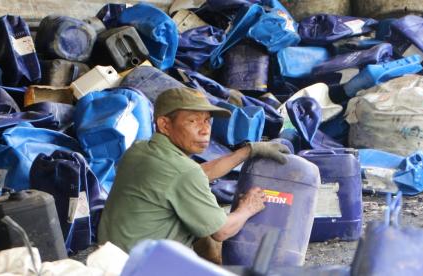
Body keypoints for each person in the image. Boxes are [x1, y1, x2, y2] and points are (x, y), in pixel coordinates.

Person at [98, 87, 290, 252]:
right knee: (212, 229)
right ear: (164, 124)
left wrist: (246, 151)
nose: (205, 129)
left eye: (207, 120)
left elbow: (196, 174)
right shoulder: (182, 171)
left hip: (112, 259)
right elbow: (222, 231)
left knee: (200, 227)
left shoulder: (141, 149)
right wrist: (248, 207)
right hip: (142, 267)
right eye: (193, 121)